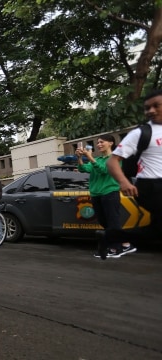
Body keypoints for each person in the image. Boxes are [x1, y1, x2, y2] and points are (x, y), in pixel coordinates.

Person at [107, 89, 162, 252]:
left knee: (158, 228)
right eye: (147, 108)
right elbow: (112, 162)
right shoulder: (141, 133)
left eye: (156, 106)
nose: (151, 111)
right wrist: (124, 182)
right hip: (150, 186)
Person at [77, 135, 136, 259]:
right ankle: (126, 244)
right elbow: (83, 169)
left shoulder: (115, 159)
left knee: (112, 221)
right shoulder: (97, 159)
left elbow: (104, 170)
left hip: (110, 193)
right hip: (96, 194)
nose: (98, 144)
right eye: (97, 143)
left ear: (110, 143)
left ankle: (116, 249)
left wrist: (90, 157)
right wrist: (80, 158)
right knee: (105, 222)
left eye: (101, 142)